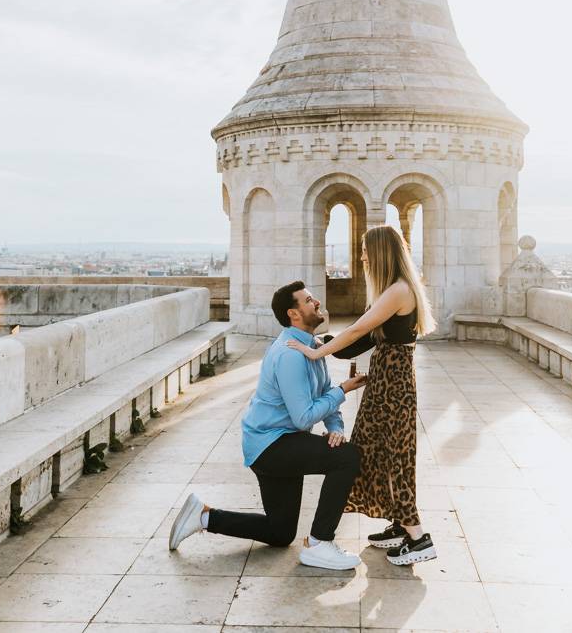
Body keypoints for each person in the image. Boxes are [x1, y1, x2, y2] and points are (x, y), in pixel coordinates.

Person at [169, 280, 369, 570]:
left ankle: (203, 517)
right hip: (272, 446)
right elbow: (304, 416)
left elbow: (324, 394)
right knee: (348, 457)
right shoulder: (290, 355)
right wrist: (344, 389)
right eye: (308, 300)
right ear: (294, 314)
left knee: (280, 531)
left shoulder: (311, 346)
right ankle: (319, 543)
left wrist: (336, 428)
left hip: (279, 443)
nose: (316, 303)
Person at [286, 224, 437, 565]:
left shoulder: (398, 291)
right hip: (386, 380)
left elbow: (357, 330)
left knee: (395, 453)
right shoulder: (391, 291)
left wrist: (314, 354)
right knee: (374, 449)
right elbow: (362, 341)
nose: (362, 256)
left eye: (367, 250)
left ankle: (418, 537)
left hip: (393, 384)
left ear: (382, 252)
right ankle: (399, 523)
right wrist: (319, 342)